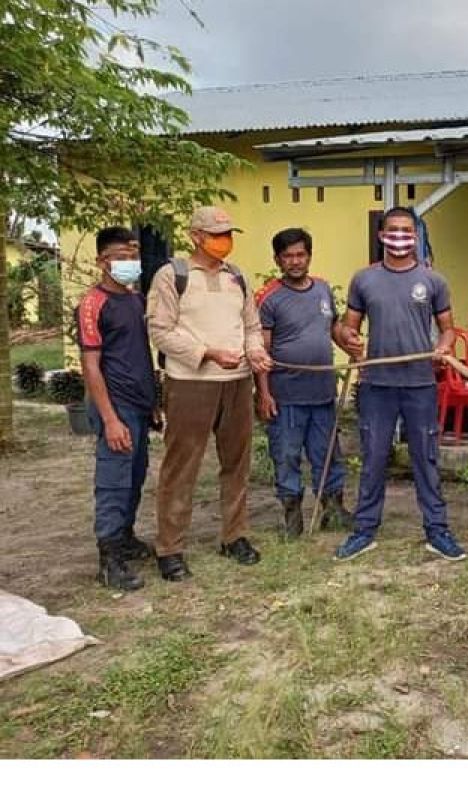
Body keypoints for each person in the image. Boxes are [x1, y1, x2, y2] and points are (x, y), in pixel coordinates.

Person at [332, 206, 466, 562]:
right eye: (392, 229)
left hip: (420, 384)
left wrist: (443, 345)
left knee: (425, 458)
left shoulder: (433, 280)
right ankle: (364, 532)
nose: (399, 236)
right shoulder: (364, 279)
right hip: (376, 384)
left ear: (416, 236)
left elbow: (449, 327)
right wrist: (349, 338)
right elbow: (348, 327)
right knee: (374, 457)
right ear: (381, 235)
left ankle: (437, 532)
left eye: (407, 230)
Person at [147, 206, 272, 581]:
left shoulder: (238, 277)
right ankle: (170, 548)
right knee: (181, 466)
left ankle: (234, 536)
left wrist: (256, 352)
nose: (224, 241)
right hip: (190, 383)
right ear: (195, 236)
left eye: (228, 233)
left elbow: (251, 325)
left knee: (237, 464)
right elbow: (160, 330)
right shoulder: (173, 276)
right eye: (216, 234)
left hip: (237, 383)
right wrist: (206, 354)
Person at [253, 228, 353, 539]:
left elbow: (332, 327)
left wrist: (349, 341)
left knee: (327, 454)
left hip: (322, 391)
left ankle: (333, 508)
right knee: (286, 454)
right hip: (286, 396)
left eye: (300, 255)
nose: (295, 261)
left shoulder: (322, 289)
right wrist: (264, 393)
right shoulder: (268, 298)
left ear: (309, 256)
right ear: (277, 260)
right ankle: (292, 515)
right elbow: (261, 351)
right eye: (288, 256)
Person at [75, 226, 158, 591]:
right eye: (120, 258)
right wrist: (109, 419)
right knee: (113, 481)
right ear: (102, 261)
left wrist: (154, 402)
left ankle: (125, 537)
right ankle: (109, 559)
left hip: (140, 404)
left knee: (136, 476)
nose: (128, 264)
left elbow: (142, 355)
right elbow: (91, 365)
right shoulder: (93, 304)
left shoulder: (135, 300)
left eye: (132, 258)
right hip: (116, 405)